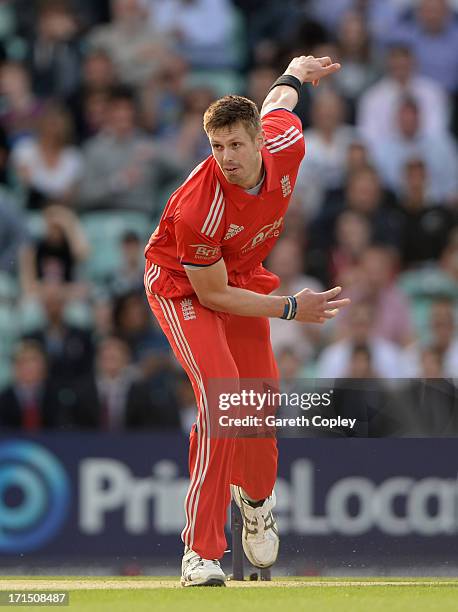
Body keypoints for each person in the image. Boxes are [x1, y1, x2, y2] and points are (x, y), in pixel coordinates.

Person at [143, 55, 349, 587]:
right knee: (223, 395)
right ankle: (200, 553)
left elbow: (281, 102)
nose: (227, 158)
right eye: (217, 147)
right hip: (182, 287)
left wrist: (296, 71)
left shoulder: (285, 140)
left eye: (236, 144)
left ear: (259, 141)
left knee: (258, 408)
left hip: (240, 276)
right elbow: (212, 293)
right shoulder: (199, 205)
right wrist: (289, 309)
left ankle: (256, 502)